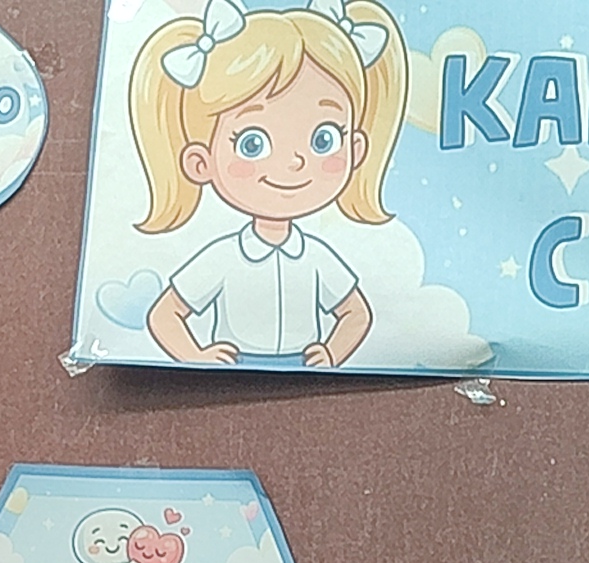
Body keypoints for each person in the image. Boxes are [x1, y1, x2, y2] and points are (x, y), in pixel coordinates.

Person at [127, 2, 410, 371]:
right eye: (252, 143)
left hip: (310, 376)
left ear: (356, 149)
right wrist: (196, 357)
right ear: (201, 162)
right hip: (230, 376)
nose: (294, 163)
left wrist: (332, 355)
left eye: (323, 139)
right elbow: (165, 314)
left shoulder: (314, 256)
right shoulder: (223, 257)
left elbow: (357, 313)